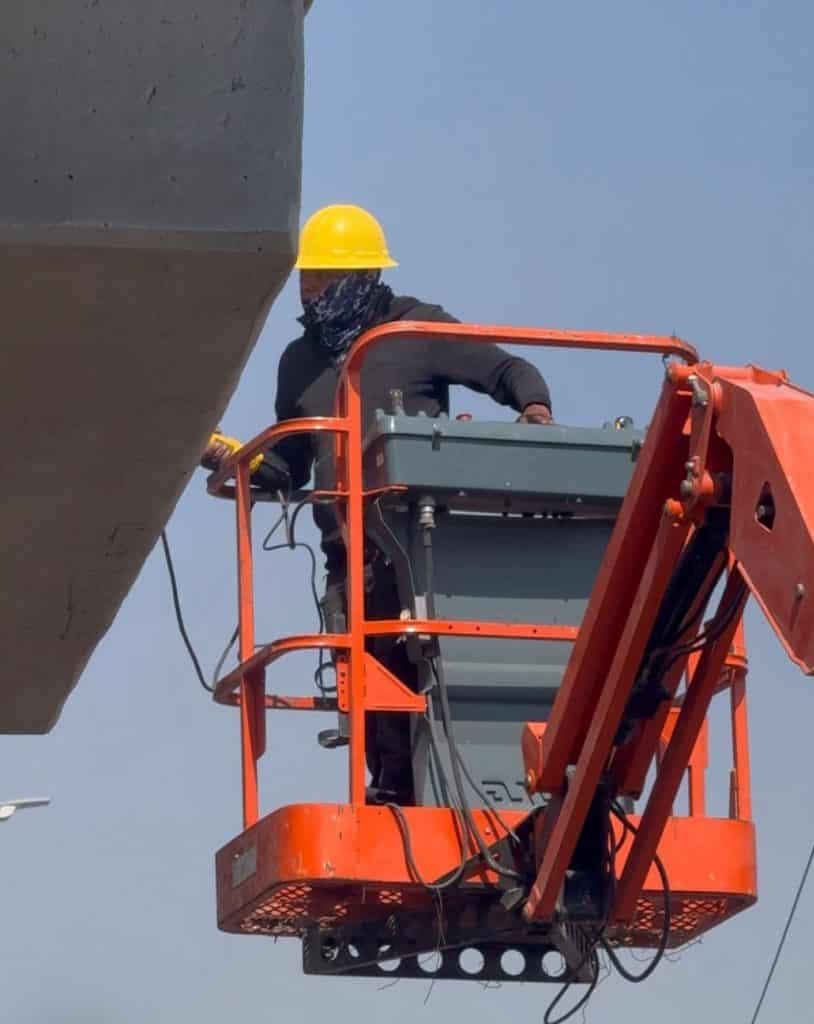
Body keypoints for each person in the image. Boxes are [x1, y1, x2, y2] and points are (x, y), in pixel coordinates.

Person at [203, 204, 554, 804]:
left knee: (429, 662)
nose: (309, 294)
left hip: (423, 543)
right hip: (348, 549)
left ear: (361, 276)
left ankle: (460, 786)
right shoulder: (300, 361)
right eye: (305, 281)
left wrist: (535, 409)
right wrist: (232, 458)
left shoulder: (410, 330)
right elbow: (292, 466)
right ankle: (394, 786)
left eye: (321, 280)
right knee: (365, 669)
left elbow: (508, 368)